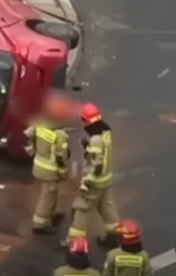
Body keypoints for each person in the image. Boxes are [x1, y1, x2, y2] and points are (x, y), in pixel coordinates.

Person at [66, 102, 120, 248]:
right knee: (108, 208)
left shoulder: (96, 139)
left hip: (95, 182)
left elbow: (96, 163)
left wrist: (86, 182)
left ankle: (74, 242)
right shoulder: (106, 132)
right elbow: (102, 153)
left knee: (81, 209)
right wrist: (88, 147)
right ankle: (114, 236)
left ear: (85, 120)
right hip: (105, 180)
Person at [24, 91, 71, 234]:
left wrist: (32, 152)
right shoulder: (60, 135)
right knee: (47, 196)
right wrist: (63, 173)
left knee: (51, 193)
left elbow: (27, 136)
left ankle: (51, 213)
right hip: (50, 171)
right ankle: (40, 224)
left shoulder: (40, 124)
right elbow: (61, 158)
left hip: (38, 166)